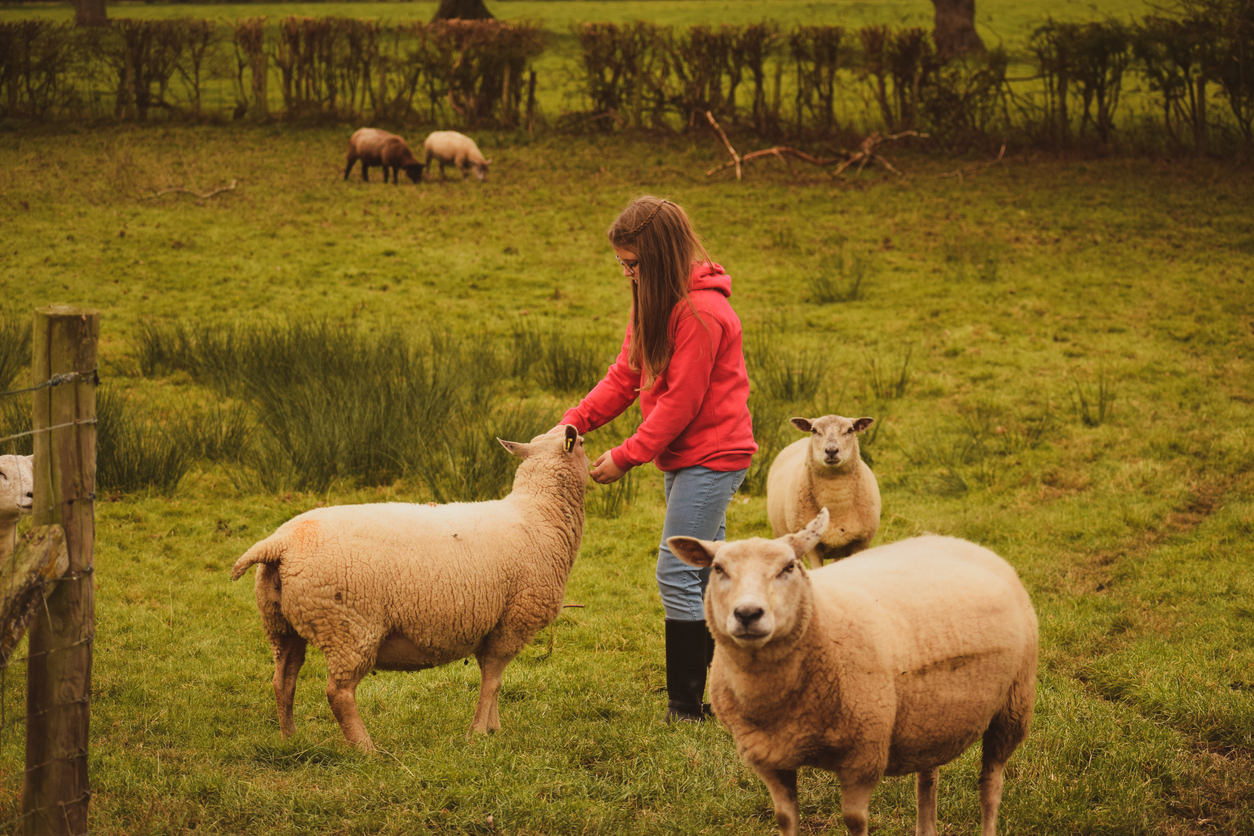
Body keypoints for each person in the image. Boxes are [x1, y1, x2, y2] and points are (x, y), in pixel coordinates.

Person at [554, 195, 757, 723]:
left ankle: (687, 707)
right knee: (702, 571)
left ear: (661, 256)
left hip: (714, 454)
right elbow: (627, 374)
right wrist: (575, 420)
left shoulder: (702, 313)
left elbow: (683, 402)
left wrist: (625, 456)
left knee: (676, 570)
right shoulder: (652, 298)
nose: (627, 274)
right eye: (622, 264)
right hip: (685, 455)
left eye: (633, 264)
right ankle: (723, 694)